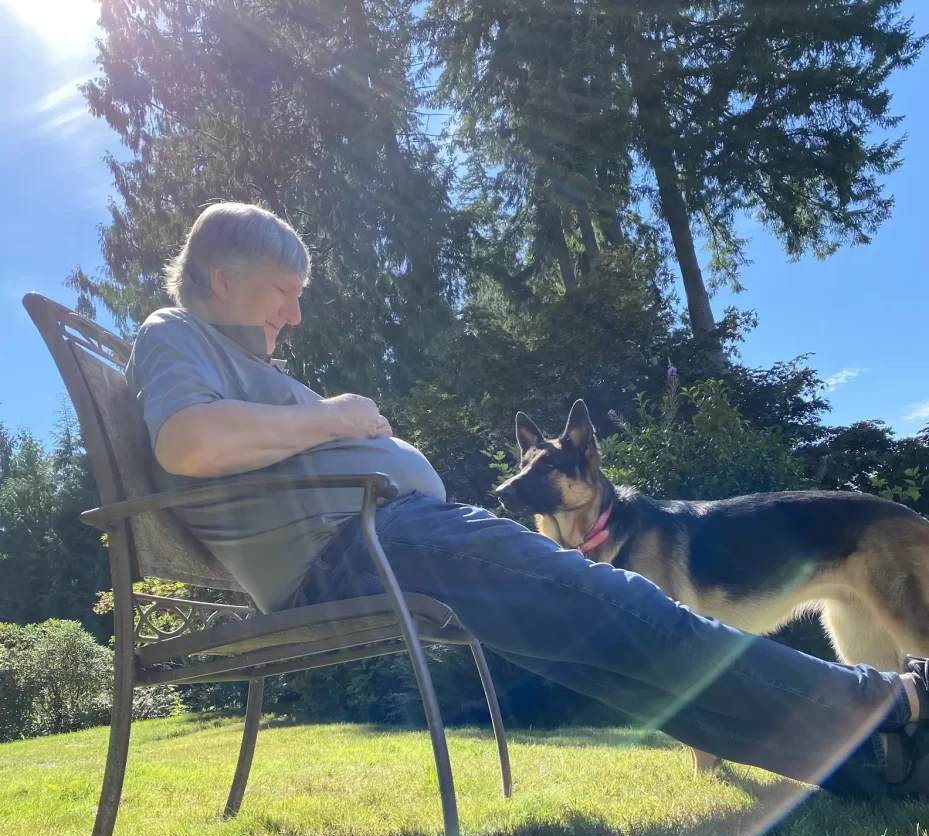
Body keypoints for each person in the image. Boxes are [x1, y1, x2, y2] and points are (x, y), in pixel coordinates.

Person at [126, 201, 929, 798]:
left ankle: (868, 761)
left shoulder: (246, 367)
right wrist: (336, 417)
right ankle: (888, 705)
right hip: (363, 547)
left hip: (385, 538)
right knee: (617, 602)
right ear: (224, 279)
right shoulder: (175, 334)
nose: (295, 314)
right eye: (282, 292)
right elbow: (189, 443)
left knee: (607, 652)